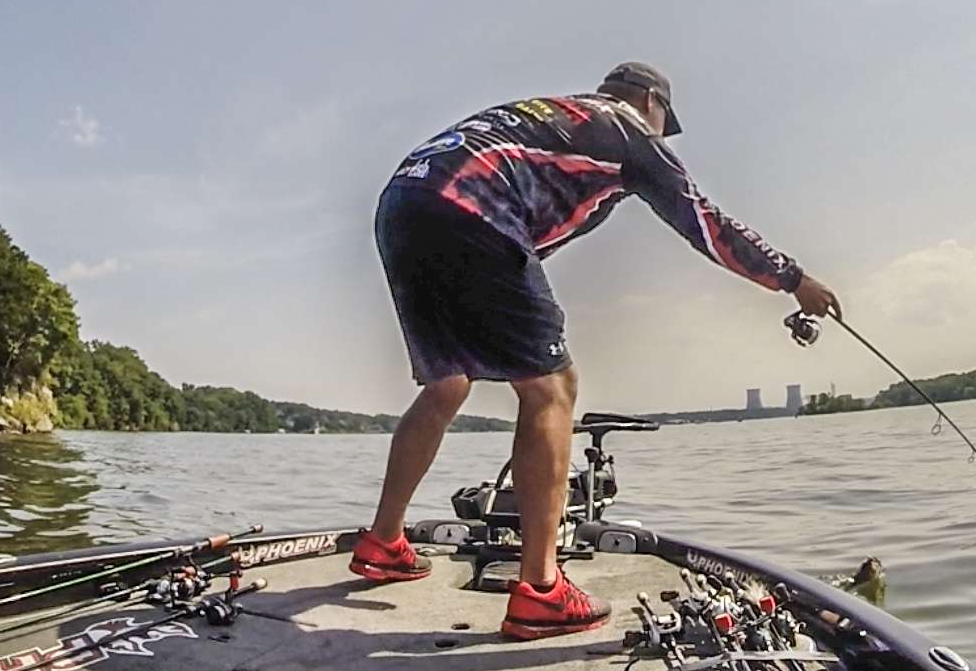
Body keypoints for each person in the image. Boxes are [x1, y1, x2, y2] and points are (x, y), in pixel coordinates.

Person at [351, 62, 840, 641]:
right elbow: (703, 221)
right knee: (552, 389)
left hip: (404, 205)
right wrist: (793, 279)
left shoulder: (558, 118)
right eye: (665, 121)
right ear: (650, 101)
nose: (664, 133)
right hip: (470, 208)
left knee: (448, 382)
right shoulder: (628, 128)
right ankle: (540, 590)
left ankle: (383, 543)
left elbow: (532, 240)